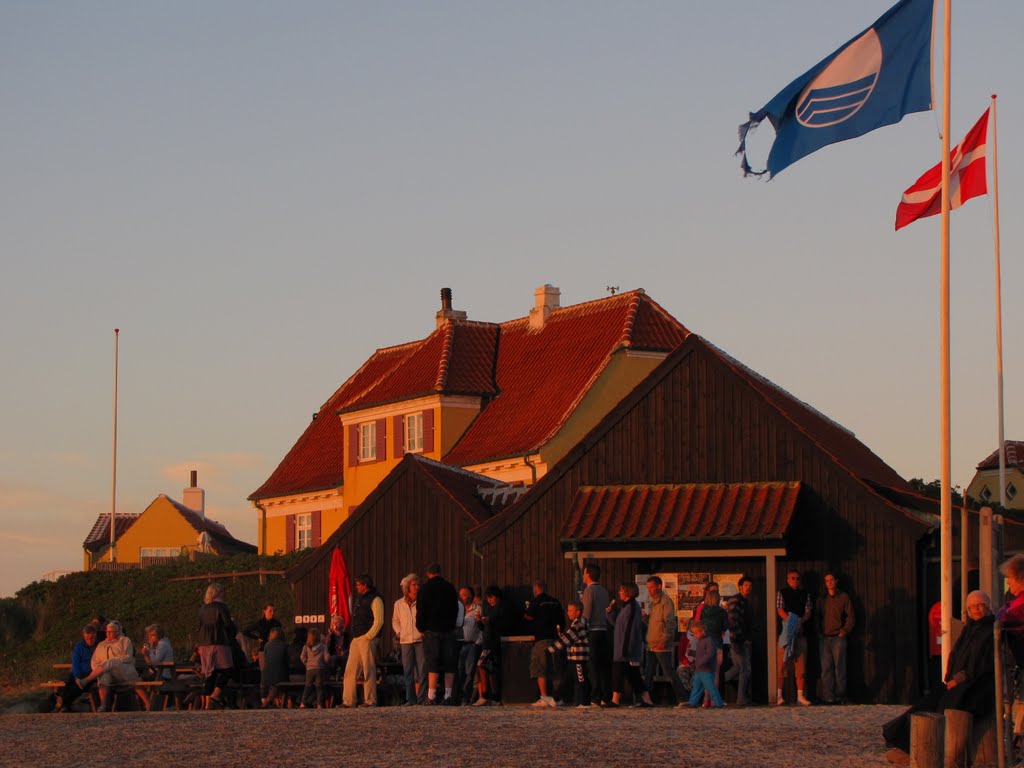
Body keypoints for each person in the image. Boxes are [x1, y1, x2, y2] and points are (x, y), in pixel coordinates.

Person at [883, 590, 996, 754]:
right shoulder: (969, 629)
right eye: (972, 607)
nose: (977, 610)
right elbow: (956, 655)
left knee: (942, 706)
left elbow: (981, 665)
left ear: (987, 606)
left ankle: (928, 749)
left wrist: (957, 680)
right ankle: (900, 740)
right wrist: (951, 679)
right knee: (925, 704)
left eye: (980, 605)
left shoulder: (990, 630)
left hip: (976, 687)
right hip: (960, 683)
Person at [415, 563, 460, 705]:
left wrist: (421, 627)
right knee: (449, 663)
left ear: (428, 574)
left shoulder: (425, 589)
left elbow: (420, 610)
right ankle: (447, 696)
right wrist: (451, 625)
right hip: (448, 630)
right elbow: (455, 609)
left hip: (431, 630)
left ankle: (431, 696)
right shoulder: (450, 588)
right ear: (440, 572)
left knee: (432, 662)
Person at [607, 583, 654, 708]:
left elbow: (630, 630)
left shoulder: (632, 607)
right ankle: (646, 699)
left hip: (626, 648)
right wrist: (610, 613)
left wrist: (626, 648)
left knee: (620, 673)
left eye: (622, 590)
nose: (619, 593)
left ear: (628, 592)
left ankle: (615, 700)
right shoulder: (626, 607)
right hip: (623, 647)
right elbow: (617, 625)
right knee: (633, 675)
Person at [75, 620, 140, 712]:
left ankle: (86, 680)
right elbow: (94, 661)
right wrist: (102, 668)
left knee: (111, 662)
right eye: (107, 632)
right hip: (108, 674)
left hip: (122, 673)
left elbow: (128, 657)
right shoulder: (102, 644)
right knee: (104, 676)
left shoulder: (125, 641)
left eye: (111, 632)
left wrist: (113, 662)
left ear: (117, 632)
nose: (108, 634)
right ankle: (104, 705)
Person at [643, 575, 687, 704]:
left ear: (659, 586)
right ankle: (646, 699)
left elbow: (670, 623)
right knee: (648, 673)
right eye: (648, 588)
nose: (650, 591)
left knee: (669, 673)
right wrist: (645, 618)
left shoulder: (666, 602)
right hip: (651, 645)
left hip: (661, 645)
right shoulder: (653, 604)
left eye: (651, 587)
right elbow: (653, 623)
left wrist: (664, 640)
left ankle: (683, 698)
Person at [343, 574, 384, 707]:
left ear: (365, 585)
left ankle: (370, 700)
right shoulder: (361, 599)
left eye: (359, 584)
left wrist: (369, 636)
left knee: (369, 670)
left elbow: (379, 620)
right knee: (350, 670)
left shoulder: (375, 599)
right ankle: (348, 700)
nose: (357, 587)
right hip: (357, 638)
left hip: (367, 638)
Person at [524, 580, 564, 708]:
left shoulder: (536, 602)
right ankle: (557, 697)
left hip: (541, 639)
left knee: (540, 669)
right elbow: (562, 620)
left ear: (536, 590)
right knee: (555, 667)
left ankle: (545, 697)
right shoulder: (555, 601)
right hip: (556, 640)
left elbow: (527, 617)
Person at [196, 582, 236, 709]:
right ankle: (216, 694)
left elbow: (200, 625)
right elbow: (228, 624)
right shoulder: (222, 607)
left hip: (204, 643)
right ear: (218, 593)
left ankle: (208, 701)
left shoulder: (202, 608)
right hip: (219, 641)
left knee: (210, 672)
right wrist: (233, 633)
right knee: (227, 670)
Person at [817, 572, 855, 705]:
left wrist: (844, 630)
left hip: (838, 637)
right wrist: (819, 633)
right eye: (826, 581)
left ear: (836, 581)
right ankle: (828, 697)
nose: (829, 583)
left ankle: (840, 696)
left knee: (840, 668)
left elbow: (850, 616)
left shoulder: (843, 597)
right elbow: (818, 616)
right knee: (826, 669)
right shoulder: (822, 598)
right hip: (825, 638)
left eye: (831, 580)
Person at [776, 569, 812, 706]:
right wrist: (791, 622)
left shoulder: (805, 594)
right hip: (786, 633)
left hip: (800, 633)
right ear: (787, 579)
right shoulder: (782, 593)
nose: (795, 581)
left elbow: (808, 611)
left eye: (797, 578)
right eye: (792, 578)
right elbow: (780, 610)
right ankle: (779, 695)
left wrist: (799, 622)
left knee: (801, 667)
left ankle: (800, 695)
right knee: (782, 665)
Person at [548, 600, 590, 707]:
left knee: (580, 680)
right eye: (568, 610)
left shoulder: (577, 625)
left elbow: (567, 639)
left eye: (571, 610)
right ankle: (557, 698)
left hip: (578, 658)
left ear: (578, 612)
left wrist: (550, 649)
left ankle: (584, 702)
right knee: (567, 679)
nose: (568, 613)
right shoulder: (583, 622)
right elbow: (571, 638)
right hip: (574, 658)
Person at [581, 564, 612, 707]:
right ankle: (606, 696)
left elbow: (586, 613)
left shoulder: (589, 591)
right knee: (603, 666)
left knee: (593, 666)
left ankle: (595, 697)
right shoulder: (604, 591)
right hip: (604, 630)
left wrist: (581, 629)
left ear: (587, 574)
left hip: (592, 631)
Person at [392, 572, 425, 706]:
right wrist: (399, 632)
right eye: (413, 584)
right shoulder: (399, 604)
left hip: (420, 640)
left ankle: (422, 698)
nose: (416, 587)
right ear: (407, 586)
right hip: (405, 641)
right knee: (408, 671)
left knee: (422, 670)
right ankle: (410, 699)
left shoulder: (422, 602)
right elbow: (395, 620)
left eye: (418, 584)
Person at [475, 585, 510, 706]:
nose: (490, 600)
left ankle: (490, 695)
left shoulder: (503, 608)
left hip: (494, 643)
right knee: (487, 667)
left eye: (492, 597)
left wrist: (490, 621)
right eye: (488, 598)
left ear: (498, 597)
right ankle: (489, 695)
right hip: (487, 642)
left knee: (487, 667)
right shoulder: (488, 609)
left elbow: (504, 625)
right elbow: (483, 627)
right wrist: (480, 621)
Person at [55, 625, 98, 712]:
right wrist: (77, 676)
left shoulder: (100, 646)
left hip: (92, 673)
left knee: (78, 686)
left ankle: (62, 703)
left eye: (92, 638)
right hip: (79, 673)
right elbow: (75, 663)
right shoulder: (79, 646)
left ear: (95, 635)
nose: (90, 641)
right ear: (84, 636)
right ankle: (63, 704)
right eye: (87, 638)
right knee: (69, 682)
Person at [683, 620, 725, 709]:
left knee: (710, 687)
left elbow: (710, 653)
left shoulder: (708, 640)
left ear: (702, 631)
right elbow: (701, 654)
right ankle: (692, 702)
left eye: (695, 633)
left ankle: (718, 703)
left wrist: (701, 661)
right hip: (700, 669)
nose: (694, 635)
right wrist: (692, 653)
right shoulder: (702, 640)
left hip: (706, 669)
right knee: (697, 687)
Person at [725, 575, 754, 706]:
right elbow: (732, 620)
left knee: (738, 668)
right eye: (746, 585)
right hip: (738, 640)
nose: (748, 588)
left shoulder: (745, 601)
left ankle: (716, 683)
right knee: (745, 668)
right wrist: (741, 638)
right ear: (740, 587)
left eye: (750, 585)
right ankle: (741, 699)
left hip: (742, 638)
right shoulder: (736, 600)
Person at [698, 586, 728, 707]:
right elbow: (724, 627)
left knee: (706, 673)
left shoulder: (703, 610)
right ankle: (714, 700)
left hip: (704, 643)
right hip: (716, 642)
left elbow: (699, 625)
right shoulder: (721, 612)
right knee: (715, 673)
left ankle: (706, 699)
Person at [457, 585, 483, 705]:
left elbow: (481, 627)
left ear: (471, 595)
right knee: (460, 670)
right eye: (461, 594)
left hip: (472, 644)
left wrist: (478, 643)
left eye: (465, 594)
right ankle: (458, 696)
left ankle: (466, 697)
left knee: (469, 672)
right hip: (460, 644)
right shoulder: (457, 609)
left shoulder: (477, 608)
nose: (463, 597)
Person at [260, 627, 290, 708]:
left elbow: (266, 659)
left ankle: (267, 701)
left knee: (273, 684)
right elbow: (287, 661)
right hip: (280, 674)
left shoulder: (267, 645)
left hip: (267, 675)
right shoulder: (285, 646)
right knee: (280, 682)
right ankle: (268, 702)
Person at [300, 629, 328, 708]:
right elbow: (326, 658)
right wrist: (324, 663)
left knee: (308, 686)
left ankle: (303, 703)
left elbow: (302, 657)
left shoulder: (306, 646)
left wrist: (307, 664)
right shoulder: (323, 646)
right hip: (320, 668)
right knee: (319, 687)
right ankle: (319, 704)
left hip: (309, 669)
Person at [325, 614, 347, 680]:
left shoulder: (346, 635)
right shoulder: (331, 635)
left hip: (344, 654)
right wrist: (329, 635)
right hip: (333, 655)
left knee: (345, 659)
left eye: (336, 622)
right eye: (333, 623)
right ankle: (332, 675)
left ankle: (342, 674)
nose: (335, 624)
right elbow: (326, 646)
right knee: (333, 658)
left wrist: (345, 651)